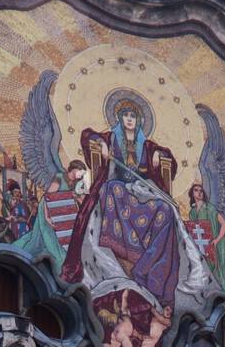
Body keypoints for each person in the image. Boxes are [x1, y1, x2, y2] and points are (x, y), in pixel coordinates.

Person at [62, 98, 182, 305]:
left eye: (133, 116)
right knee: (113, 188)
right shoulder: (110, 138)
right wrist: (101, 144)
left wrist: (159, 156)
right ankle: (121, 247)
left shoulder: (147, 145)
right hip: (118, 188)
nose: (129, 119)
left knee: (166, 209)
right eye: (125, 115)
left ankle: (146, 266)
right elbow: (87, 135)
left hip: (142, 191)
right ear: (119, 118)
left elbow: (169, 158)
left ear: (139, 120)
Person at [188, 182, 225, 297]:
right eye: (196, 190)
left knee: (220, 275)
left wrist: (217, 239)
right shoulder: (192, 212)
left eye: (201, 190)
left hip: (217, 246)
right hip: (202, 245)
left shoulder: (210, 208)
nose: (199, 192)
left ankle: (223, 294)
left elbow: (224, 224)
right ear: (192, 193)